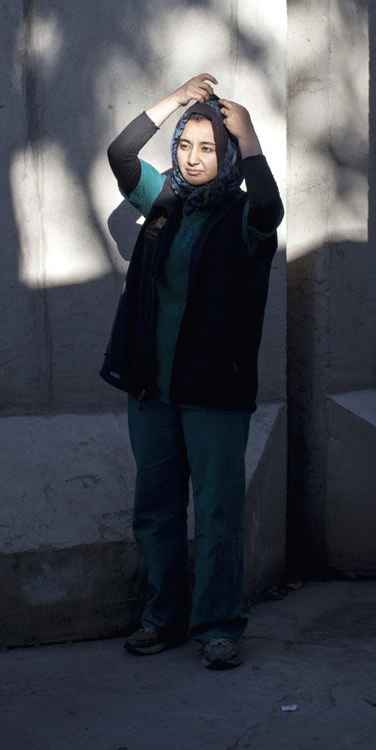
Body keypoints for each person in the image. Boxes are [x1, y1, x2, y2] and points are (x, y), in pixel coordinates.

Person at [101, 71, 283, 670]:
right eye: (186, 145)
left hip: (214, 392)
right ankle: (163, 616)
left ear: (226, 155)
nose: (195, 157)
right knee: (154, 509)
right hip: (152, 388)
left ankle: (219, 625)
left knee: (217, 511)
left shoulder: (242, 219)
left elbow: (271, 207)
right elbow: (121, 154)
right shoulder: (162, 201)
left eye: (209, 148)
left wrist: (249, 135)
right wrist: (175, 101)